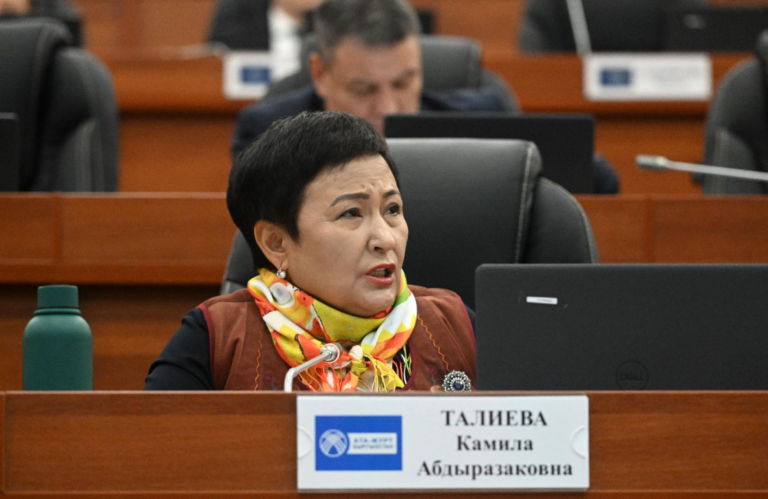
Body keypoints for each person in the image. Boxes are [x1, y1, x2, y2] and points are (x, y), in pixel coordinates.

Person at [144, 111, 476, 391]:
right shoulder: (214, 339)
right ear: (276, 243)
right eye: (351, 213)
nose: (385, 239)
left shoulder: (457, 328)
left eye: (392, 209)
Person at [232, 0, 620, 194]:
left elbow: (599, 182)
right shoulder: (268, 133)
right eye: (365, 89)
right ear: (320, 74)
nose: (388, 108)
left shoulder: (482, 119)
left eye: (404, 82)